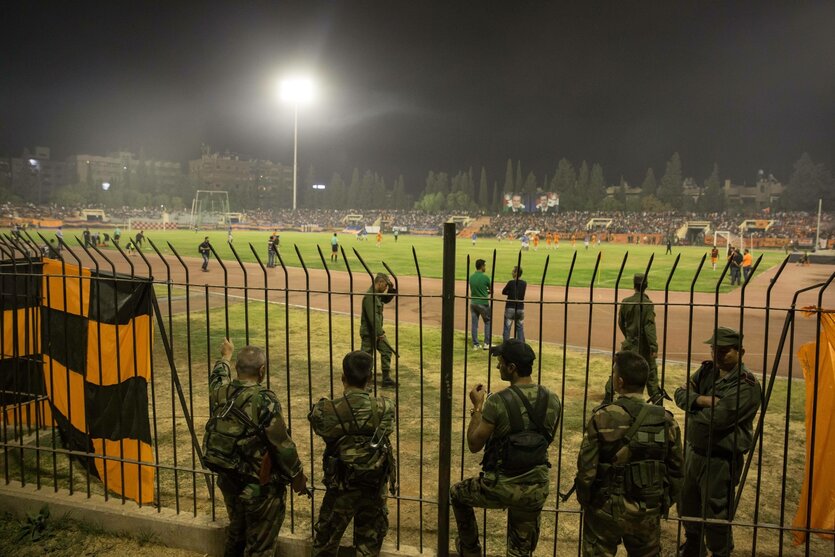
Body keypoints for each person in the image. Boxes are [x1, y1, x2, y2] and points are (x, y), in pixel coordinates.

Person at [451, 339, 561, 556]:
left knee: (457, 493)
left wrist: (477, 407)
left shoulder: (498, 401)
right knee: (520, 550)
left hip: (501, 485)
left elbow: (474, 444)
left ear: (512, 368)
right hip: (535, 486)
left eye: (501, 363)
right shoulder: (552, 399)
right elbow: (547, 438)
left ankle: (470, 549)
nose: (498, 367)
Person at [203, 338, 309, 557]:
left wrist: (225, 356)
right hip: (259, 486)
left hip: (228, 478)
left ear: (237, 369)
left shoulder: (220, 393)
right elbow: (282, 445)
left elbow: (217, 378)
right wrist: (297, 476)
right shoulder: (265, 400)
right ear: (262, 371)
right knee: (260, 544)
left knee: (237, 531)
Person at [576, 351, 684, 556]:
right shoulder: (666, 420)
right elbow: (677, 469)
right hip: (647, 510)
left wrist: (587, 500)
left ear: (619, 382)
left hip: (605, 508)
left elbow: (586, 470)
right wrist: (664, 502)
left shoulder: (602, 417)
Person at [674, 327, 762, 557]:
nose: (718, 355)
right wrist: (703, 400)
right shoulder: (707, 371)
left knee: (715, 512)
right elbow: (679, 393)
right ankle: (693, 545)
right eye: (715, 350)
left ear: (740, 351)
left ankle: (720, 552)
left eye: (724, 351)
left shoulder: (746, 385)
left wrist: (691, 408)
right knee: (687, 503)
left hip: (720, 459)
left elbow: (718, 419)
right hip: (694, 452)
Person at [308, 351, 396, 555]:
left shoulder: (326, 410)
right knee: (368, 547)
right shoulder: (385, 407)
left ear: (343, 378)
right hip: (373, 486)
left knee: (325, 544)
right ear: (370, 378)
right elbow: (386, 430)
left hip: (340, 488)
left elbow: (320, 427)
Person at [606, 273, 663, 404]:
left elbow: (621, 322)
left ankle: (607, 398)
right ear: (646, 286)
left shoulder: (626, 302)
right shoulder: (647, 304)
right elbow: (649, 327)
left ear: (634, 286)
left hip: (630, 343)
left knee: (620, 369)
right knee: (651, 377)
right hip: (644, 346)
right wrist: (653, 346)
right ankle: (658, 405)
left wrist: (629, 336)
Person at [361, 273, 397, 388]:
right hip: (370, 332)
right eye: (385, 285)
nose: (386, 288)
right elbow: (373, 318)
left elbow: (386, 300)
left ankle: (386, 378)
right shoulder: (369, 297)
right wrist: (380, 333)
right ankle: (364, 379)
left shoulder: (377, 294)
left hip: (377, 331)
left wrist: (391, 289)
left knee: (386, 351)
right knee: (366, 356)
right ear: (379, 283)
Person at [468, 259, 492, 350]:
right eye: (484, 266)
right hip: (483, 303)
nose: (485, 267)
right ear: (481, 266)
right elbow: (490, 290)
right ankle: (487, 343)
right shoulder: (485, 277)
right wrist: (486, 292)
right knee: (487, 322)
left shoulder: (471, 277)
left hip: (473, 303)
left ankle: (476, 344)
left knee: (474, 324)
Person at [501, 266, 527, 342]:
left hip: (510, 307)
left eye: (513, 271)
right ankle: (521, 345)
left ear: (516, 273)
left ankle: (506, 345)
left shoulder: (511, 282)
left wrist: (510, 293)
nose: (512, 273)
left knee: (507, 328)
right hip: (520, 308)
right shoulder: (524, 283)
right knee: (520, 328)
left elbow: (504, 292)